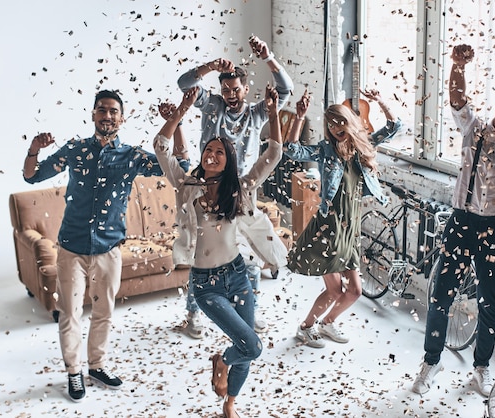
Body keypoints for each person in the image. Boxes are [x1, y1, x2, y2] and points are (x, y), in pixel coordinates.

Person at [22, 90, 189, 403]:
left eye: (113, 111)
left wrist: (175, 123)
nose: (107, 115)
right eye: (102, 110)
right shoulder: (74, 150)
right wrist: (34, 149)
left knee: (104, 312)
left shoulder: (131, 156)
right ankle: (74, 372)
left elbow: (179, 165)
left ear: (121, 118)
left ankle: (96, 366)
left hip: (109, 248)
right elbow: (32, 176)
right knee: (70, 313)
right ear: (93, 115)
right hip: (71, 247)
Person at [411, 44, 495, 397]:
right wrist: (457, 65)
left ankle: (482, 368)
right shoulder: (474, 130)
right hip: (461, 223)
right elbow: (457, 100)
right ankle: (432, 360)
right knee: (441, 296)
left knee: (490, 303)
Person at [153, 85, 283, 418]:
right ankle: (223, 360)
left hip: (238, 277)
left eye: (219, 152)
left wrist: (272, 114)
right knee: (251, 345)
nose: (211, 155)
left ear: (229, 160)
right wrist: (180, 112)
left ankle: (230, 402)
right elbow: (162, 147)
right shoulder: (186, 185)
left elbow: (273, 155)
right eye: (208, 150)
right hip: (206, 284)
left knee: (247, 346)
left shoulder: (240, 187)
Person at [177, 35, 293, 338]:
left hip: (242, 189)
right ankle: (193, 314)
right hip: (207, 186)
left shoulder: (256, 114)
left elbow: (286, 90)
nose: (230, 94)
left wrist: (268, 57)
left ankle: (248, 310)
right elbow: (184, 84)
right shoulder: (211, 104)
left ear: (245, 89)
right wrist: (210, 66)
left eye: (235, 89)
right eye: (226, 89)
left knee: (249, 253)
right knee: (203, 253)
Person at [285, 89, 402, 348]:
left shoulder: (363, 147)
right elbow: (293, 151)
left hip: (350, 229)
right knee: (335, 290)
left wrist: (380, 100)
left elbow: (395, 126)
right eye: (331, 123)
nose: (337, 127)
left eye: (341, 121)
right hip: (328, 227)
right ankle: (305, 328)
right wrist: (299, 118)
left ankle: (327, 324)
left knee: (355, 291)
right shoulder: (326, 150)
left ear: (350, 122)